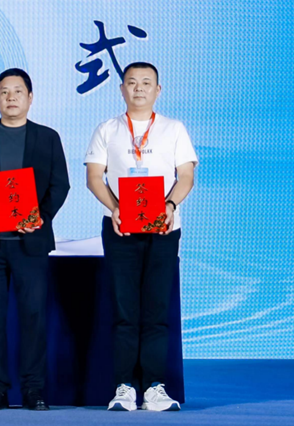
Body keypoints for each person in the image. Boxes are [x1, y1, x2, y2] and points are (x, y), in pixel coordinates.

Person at [0, 68, 70, 411]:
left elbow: (60, 185)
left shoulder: (47, 137)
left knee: (33, 318)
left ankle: (34, 389)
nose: (11, 98)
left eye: (18, 91)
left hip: (30, 244)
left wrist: (40, 217)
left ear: (30, 98)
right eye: (4, 92)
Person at [84, 62, 197, 412]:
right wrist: (115, 207)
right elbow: (94, 177)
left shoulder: (174, 129)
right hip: (121, 227)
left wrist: (170, 205)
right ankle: (123, 387)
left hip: (163, 228)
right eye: (131, 82)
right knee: (125, 310)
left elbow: (186, 175)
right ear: (122, 89)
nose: (139, 88)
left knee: (156, 309)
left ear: (158, 90)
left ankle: (154, 387)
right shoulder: (107, 129)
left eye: (146, 83)